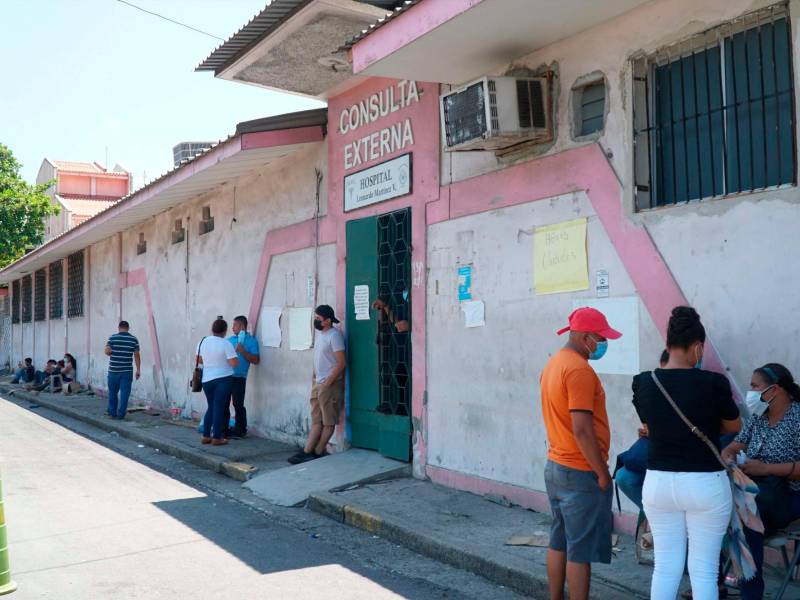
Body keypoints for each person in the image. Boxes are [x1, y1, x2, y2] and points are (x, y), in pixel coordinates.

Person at [634, 306, 741, 600]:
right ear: (697, 347)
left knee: (665, 568)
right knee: (703, 570)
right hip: (705, 483)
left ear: (667, 346)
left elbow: (651, 426)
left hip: (658, 484)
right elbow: (734, 424)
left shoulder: (644, 382)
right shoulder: (713, 383)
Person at [540, 306, 622, 600]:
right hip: (579, 471)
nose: (603, 344)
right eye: (601, 338)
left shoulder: (554, 364)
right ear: (586, 337)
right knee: (580, 549)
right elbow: (583, 429)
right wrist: (601, 472)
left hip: (556, 465)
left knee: (559, 539)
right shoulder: (579, 370)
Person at [720, 364, 800, 600]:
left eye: (755, 386)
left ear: (774, 389)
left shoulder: (797, 419)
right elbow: (735, 445)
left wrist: (765, 468)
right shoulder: (758, 418)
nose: (750, 392)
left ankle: (751, 593)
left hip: (789, 495)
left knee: (746, 516)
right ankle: (715, 583)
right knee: (716, 507)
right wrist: (729, 457)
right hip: (756, 492)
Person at [288, 305, 346, 464]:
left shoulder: (334, 336)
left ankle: (318, 451)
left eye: (318, 319)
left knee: (328, 421)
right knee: (316, 419)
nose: (316, 321)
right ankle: (307, 451)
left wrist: (328, 382)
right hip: (318, 383)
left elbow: (341, 363)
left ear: (328, 321)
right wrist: (315, 378)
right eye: (315, 318)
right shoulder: (321, 335)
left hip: (330, 385)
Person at [615, 350, 670, 511]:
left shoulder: (700, 388)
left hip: (681, 464)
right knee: (624, 477)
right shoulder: (648, 386)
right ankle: (655, 517)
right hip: (655, 457)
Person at [197, 318, 238, 446]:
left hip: (206, 379)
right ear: (225, 331)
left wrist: (212, 362)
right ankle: (217, 437)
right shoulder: (225, 344)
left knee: (211, 406)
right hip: (223, 379)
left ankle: (206, 435)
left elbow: (199, 360)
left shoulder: (202, 341)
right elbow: (234, 363)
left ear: (212, 329)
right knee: (219, 407)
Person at [225, 315, 260, 438]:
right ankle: (224, 428)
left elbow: (256, 360)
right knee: (224, 402)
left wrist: (243, 351)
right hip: (226, 376)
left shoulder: (251, 341)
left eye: (234, 325)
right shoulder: (229, 340)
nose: (232, 327)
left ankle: (241, 429)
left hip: (240, 377)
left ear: (241, 326)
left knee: (238, 403)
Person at [104, 321, 141, 420]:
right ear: (128, 328)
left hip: (113, 371)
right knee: (125, 394)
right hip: (127, 371)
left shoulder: (112, 338)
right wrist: (138, 370)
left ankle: (112, 413)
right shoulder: (133, 339)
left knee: (112, 393)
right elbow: (136, 355)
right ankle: (121, 415)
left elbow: (107, 351)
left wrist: (111, 352)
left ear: (119, 328)